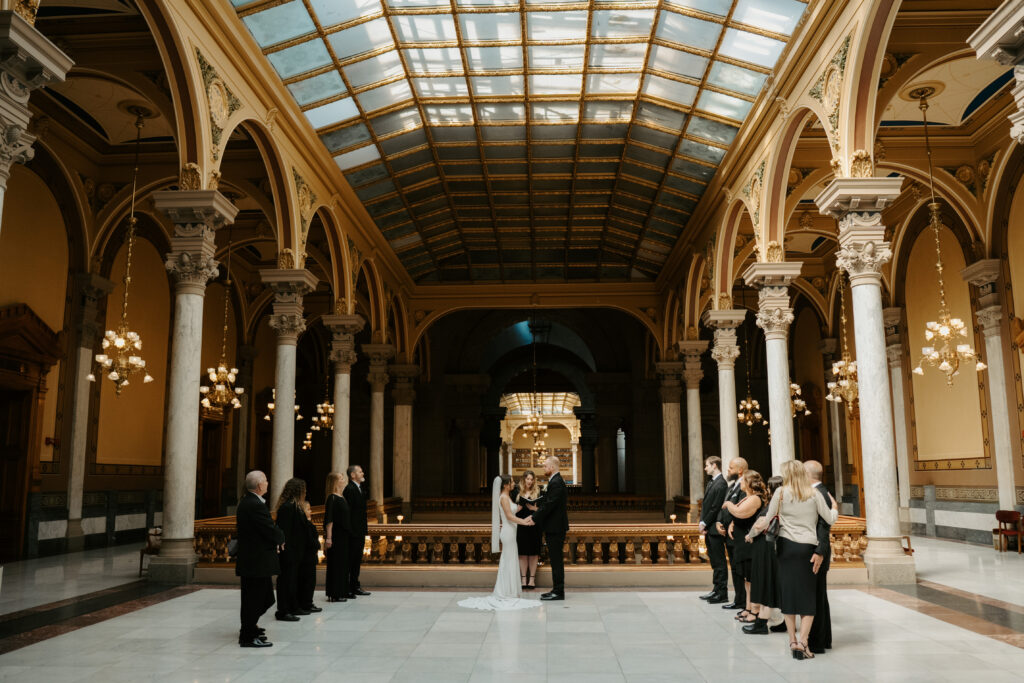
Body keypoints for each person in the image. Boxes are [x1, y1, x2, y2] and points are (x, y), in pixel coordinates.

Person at [754, 460, 838, 660]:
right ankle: (804, 642)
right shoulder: (814, 494)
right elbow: (829, 519)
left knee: (789, 595)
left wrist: (756, 528)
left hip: (786, 548)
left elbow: (769, 519)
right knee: (808, 596)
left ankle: (792, 641)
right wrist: (834, 507)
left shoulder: (780, 493)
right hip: (807, 548)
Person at [458, 474, 540, 611]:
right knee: (508, 561)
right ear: (506, 485)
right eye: (512, 482)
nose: (514, 484)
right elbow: (509, 516)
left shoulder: (507, 497)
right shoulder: (503, 498)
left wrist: (526, 507)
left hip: (511, 532)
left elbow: (514, 510)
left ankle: (510, 591)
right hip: (508, 533)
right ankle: (504, 591)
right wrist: (524, 522)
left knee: (511, 560)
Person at [235, 470, 284, 648]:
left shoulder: (249, 502)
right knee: (254, 598)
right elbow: (268, 528)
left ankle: (251, 628)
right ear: (259, 486)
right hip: (255, 561)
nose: (267, 483)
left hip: (254, 560)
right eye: (265, 480)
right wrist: (281, 538)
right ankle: (247, 636)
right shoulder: (254, 504)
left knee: (260, 596)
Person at [722, 469, 764, 623]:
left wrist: (728, 504)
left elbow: (740, 513)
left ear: (748, 483)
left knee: (752, 579)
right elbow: (739, 516)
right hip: (742, 542)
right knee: (747, 579)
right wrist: (732, 523)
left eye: (742, 481)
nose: (740, 483)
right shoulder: (748, 497)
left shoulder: (755, 498)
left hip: (750, 543)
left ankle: (755, 610)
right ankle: (748, 607)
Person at [743, 475, 782, 635]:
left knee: (766, 582)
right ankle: (783, 621)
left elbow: (762, 523)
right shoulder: (781, 502)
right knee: (772, 582)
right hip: (771, 545)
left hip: (766, 546)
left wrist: (750, 534)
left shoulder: (775, 503)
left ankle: (761, 623)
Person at [528, 455, 569, 601]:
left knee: (556, 560)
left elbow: (550, 504)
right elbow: (548, 501)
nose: (543, 468)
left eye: (545, 466)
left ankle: (558, 591)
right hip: (554, 527)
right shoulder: (554, 481)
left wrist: (534, 517)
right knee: (555, 559)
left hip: (556, 528)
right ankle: (557, 589)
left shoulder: (556, 482)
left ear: (551, 467)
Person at [805, 460, 834, 655]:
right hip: (818, 550)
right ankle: (823, 639)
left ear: (808, 475)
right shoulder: (822, 491)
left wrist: (819, 552)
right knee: (819, 597)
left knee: (815, 597)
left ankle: (817, 642)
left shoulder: (820, 494)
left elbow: (824, 527)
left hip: (818, 552)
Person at [273, 477, 308, 621]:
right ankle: (283, 610)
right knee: (286, 580)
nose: (305, 492)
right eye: (303, 490)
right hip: (289, 550)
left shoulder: (296, 506)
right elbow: (284, 531)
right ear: (298, 491)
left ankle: (293, 606)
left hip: (296, 549)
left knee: (293, 580)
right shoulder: (287, 507)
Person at [717, 457, 748, 610]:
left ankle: (742, 600)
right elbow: (723, 507)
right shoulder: (731, 487)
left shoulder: (744, 487)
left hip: (737, 535)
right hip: (727, 535)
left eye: (730, 468)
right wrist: (718, 522)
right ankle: (738, 598)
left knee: (739, 569)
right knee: (734, 568)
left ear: (740, 470)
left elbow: (741, 509)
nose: (728, 471)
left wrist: (733, 524)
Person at [698, 456, 728, 603]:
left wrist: (704, 522)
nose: (705, 468)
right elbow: (706, 505)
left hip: (715, 527)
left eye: (707, 465)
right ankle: (716, 589)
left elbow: (716, 507)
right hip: (710, 527)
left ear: (714, 465)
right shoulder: (712, 482)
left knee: (719, 561)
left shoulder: (721, 483)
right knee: (714, 561)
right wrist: (703, 522)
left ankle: (722, 593)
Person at [323, 471, 351, 603]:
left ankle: (341, 590)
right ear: (334, 482)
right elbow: (329, 519)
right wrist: (329, 538)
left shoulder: (341, 497)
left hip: (344, 536)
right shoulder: (332, 498)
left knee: (343, 564)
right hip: (336, 536)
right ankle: (335, 593)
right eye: (340, 478)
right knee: (336, 564)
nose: (343, 479)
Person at [344, 464, 370, 598]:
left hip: (359, 531)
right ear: (353, 475)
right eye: (360, 472)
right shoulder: (349, 489)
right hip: (353, 532)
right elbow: (348, 512)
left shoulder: (359, 489)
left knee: (356, 560)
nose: (363, 473)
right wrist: (351, 531)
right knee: (351, 560)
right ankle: (348, 587)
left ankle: (355, 585)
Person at [514, 470, 543, 590]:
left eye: (532, 479)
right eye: (528, 479)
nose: (530, 481)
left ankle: (532, 579)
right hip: (521, 525)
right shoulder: (516, 492)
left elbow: (543, 510)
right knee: (523, 553)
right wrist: (520, 506)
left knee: (533, 553)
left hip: (534, 525)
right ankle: (523, 579)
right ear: (523, 480)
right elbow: (511, 511)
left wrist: (533, 508)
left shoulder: (539, 492)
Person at [296, 500, 322, 615]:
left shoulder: (307, 524)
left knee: (310, 581)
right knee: (307, 582)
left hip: (309, 557)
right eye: (308, 509)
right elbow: (310, 540)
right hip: (307, 558)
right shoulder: (305, 525)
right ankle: (306, 603)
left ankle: (307, 602)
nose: (310, 511)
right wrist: (317, 544)